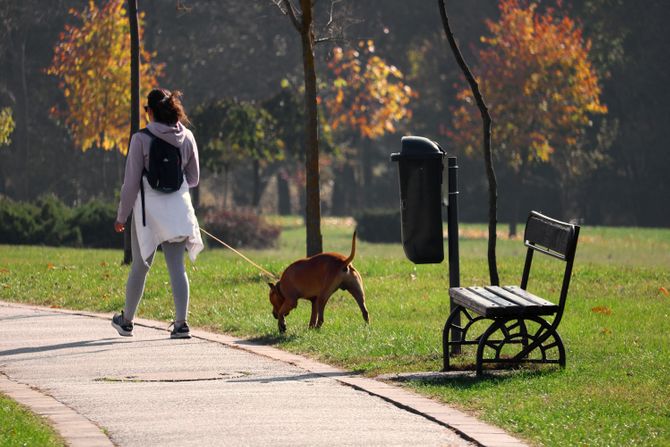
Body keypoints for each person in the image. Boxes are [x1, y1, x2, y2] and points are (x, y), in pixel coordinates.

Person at [112, 88, 203, 339]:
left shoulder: (140, 139)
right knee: (177, 267)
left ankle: (127, 321)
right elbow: (194, 178)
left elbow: (130, 184)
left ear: (149, 111)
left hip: (147, 212)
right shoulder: (188, 137)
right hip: (178, 210)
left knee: (141, 266)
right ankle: (181, 324)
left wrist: (121, 216)